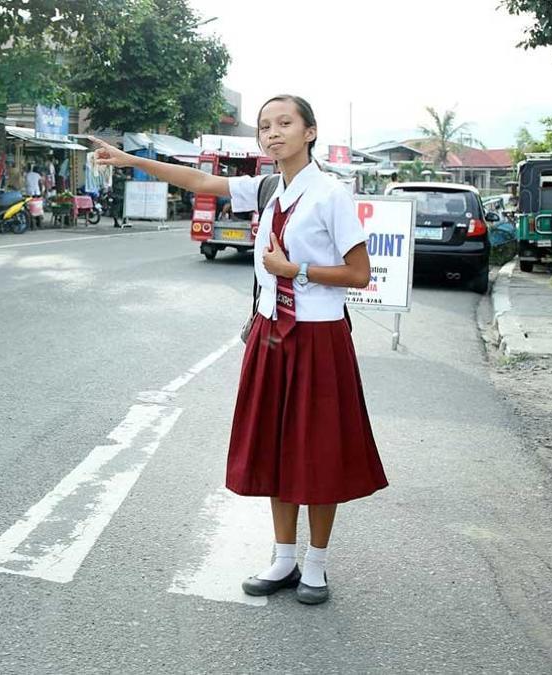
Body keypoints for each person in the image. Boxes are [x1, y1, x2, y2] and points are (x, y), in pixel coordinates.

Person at [92, 94, 387, 606]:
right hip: (272, 335)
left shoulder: (330, 194)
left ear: (310, 132)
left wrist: (296, 271)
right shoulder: (271, 188)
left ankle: (316, 564)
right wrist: (131, 160)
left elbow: (359, 273)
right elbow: (202, 182)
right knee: (275, 445)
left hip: (318, 338)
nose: (272, 133)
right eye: (265, 126)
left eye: (284, 124)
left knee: (317, 450)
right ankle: (284, 558)